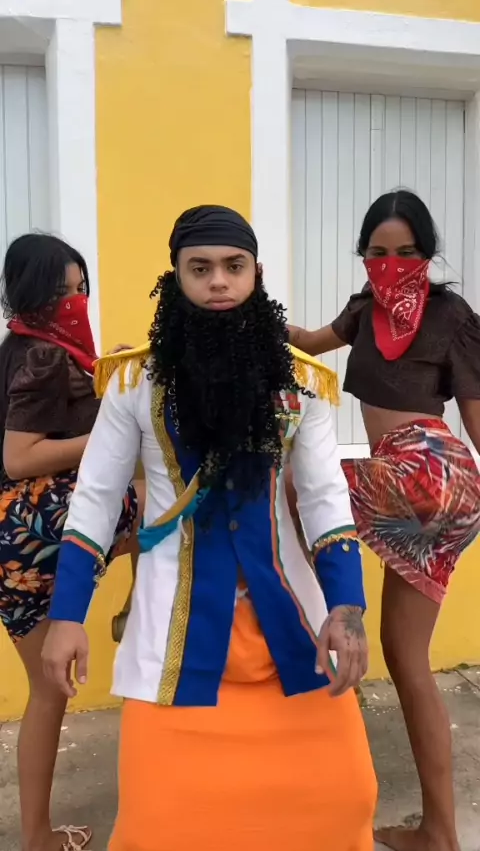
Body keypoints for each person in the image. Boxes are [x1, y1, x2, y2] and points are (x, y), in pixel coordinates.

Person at [41, 205, 377, 851]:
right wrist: (67, 616)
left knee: (342, 800)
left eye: (233, 266)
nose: (218, 281)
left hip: (292, 636)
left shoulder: (302, 383)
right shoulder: (135, 382)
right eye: (200, 269)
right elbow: (96, 501)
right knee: (164, 822)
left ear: (257, 275)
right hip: (175, 645)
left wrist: (347, 606)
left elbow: (324, 499)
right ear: (176, 278)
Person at [288, 189, 480, 851]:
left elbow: (476, 420)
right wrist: (245, 311)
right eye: (377, 252)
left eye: (406, 252)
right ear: (364, 255)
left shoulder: (452, 316)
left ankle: (294, 625)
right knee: (407, 657)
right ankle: (439, 832)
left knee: (292, 484)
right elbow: (307, 342)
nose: (391, 264)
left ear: (427, 253)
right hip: (437, 489)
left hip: (428, 471)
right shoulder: (362, 310)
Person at [0, 233, 142, 851]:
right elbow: (20, 456)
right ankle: (141, 605)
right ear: (33, 295)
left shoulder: (25, 348)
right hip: (35, 528)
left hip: (12, 544)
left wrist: (105, 377)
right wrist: (112, 428)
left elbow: (58, 414)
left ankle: (36, 836)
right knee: (154, 498)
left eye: (81, 289)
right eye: (63, 292)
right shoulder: (42, 356)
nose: (76, 301)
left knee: (46, 692)